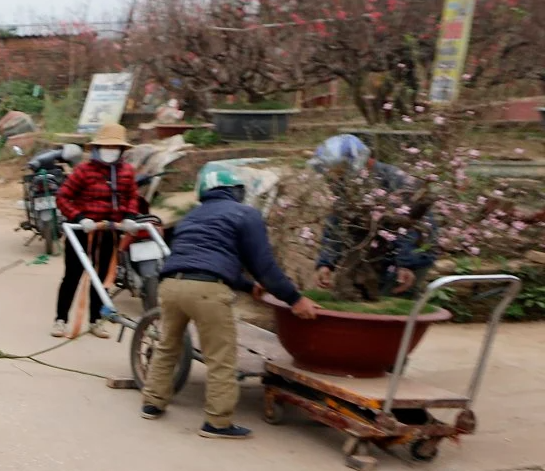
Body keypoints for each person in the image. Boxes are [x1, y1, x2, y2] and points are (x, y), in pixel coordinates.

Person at [142, 163, 320, 439]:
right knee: (221, 357)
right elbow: (264, 266)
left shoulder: (191, 217)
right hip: (207, 292)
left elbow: (204, 259)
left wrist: (249, 287)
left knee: (167, 346)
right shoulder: (245, 214)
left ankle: (152, 403)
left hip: (170, 286)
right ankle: (217, 421)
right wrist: (295, 299)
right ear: (235, 191)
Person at [311, 134, 438, 297]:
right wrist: (326, 263)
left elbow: (417, 225)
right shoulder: (348, 185)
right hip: (372, 257)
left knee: (394, 304)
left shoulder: (397, 182)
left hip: (407, 255)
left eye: (339, 169)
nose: (336, 176)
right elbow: (336, 224)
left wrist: (407, 264)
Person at [52, 122, 145, 337]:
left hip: (110, 231)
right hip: (83, 230)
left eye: (114, 148)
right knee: (72, 276)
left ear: (121, 150)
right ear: (97, 148)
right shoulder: (84, 171)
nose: (110, 151)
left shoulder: (127, 172)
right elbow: (63, 196)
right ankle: (60, 319)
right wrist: (79, 217)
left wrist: (130, 217)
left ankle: (95, 320)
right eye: (106, 147)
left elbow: (132, 197)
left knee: (102, 278)